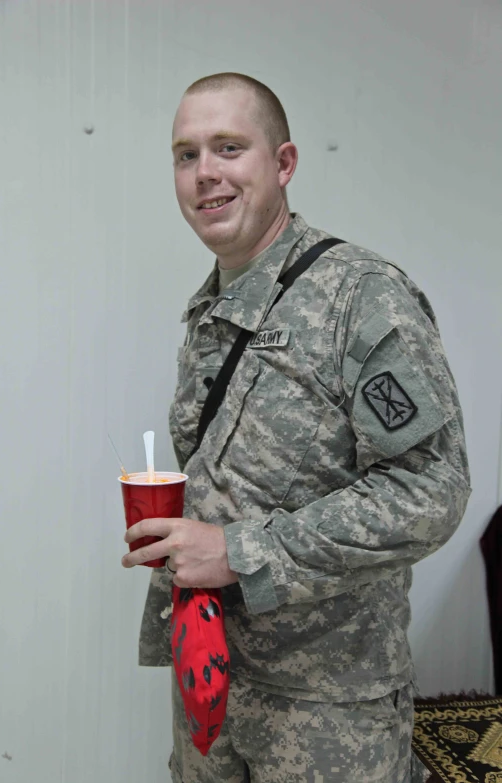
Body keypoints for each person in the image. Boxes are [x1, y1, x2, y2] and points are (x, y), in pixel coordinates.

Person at [122, 72, 471, 783]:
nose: (204, 173)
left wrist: (240, 551)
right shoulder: (212, 307)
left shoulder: (359, 293)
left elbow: (432, 490)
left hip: (326, 714)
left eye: (228, 147)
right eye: (185, 155)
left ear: (284, 164)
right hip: (210, 682)